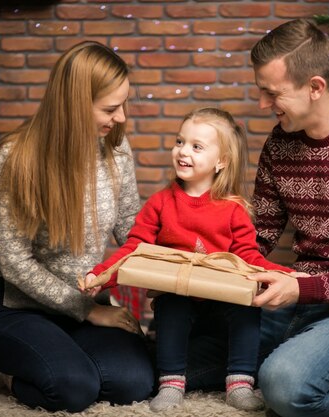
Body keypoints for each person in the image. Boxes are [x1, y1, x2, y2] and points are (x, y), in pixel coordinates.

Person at [185, 19, 329, 417]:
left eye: (272, 93)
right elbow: (257, 234)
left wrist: (304, 288)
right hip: (295, 300)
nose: (263, 104)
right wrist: (202, 264)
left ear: (315, 87)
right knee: (178, 366)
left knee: (283, 386)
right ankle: (301, 357)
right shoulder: (280, 143)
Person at [81, 107, 297, 412]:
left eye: (197, 147)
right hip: (179, 299)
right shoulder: (160, 203)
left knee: (247, 307)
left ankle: (239, 381)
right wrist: (101, 274)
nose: (183, 152)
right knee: (172, 303)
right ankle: (171, 382)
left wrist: (286, 274)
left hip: (221, 303)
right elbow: (135, 248)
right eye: (180, 142)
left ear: (221, 161)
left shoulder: (234, 210)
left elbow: (249, 256)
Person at [0, 41, 154, 413]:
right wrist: (88, 312)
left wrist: (184, 263)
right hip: (19, 309)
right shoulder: (16, 158)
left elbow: (131, 231)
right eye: (110, 108)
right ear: (75, 105)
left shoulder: (116, 151)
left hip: (87, 302)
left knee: (135, 383)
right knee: (74, 390)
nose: (121, 117)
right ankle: (16, 372)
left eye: (123, 104)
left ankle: (65, 359)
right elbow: (15, 264)